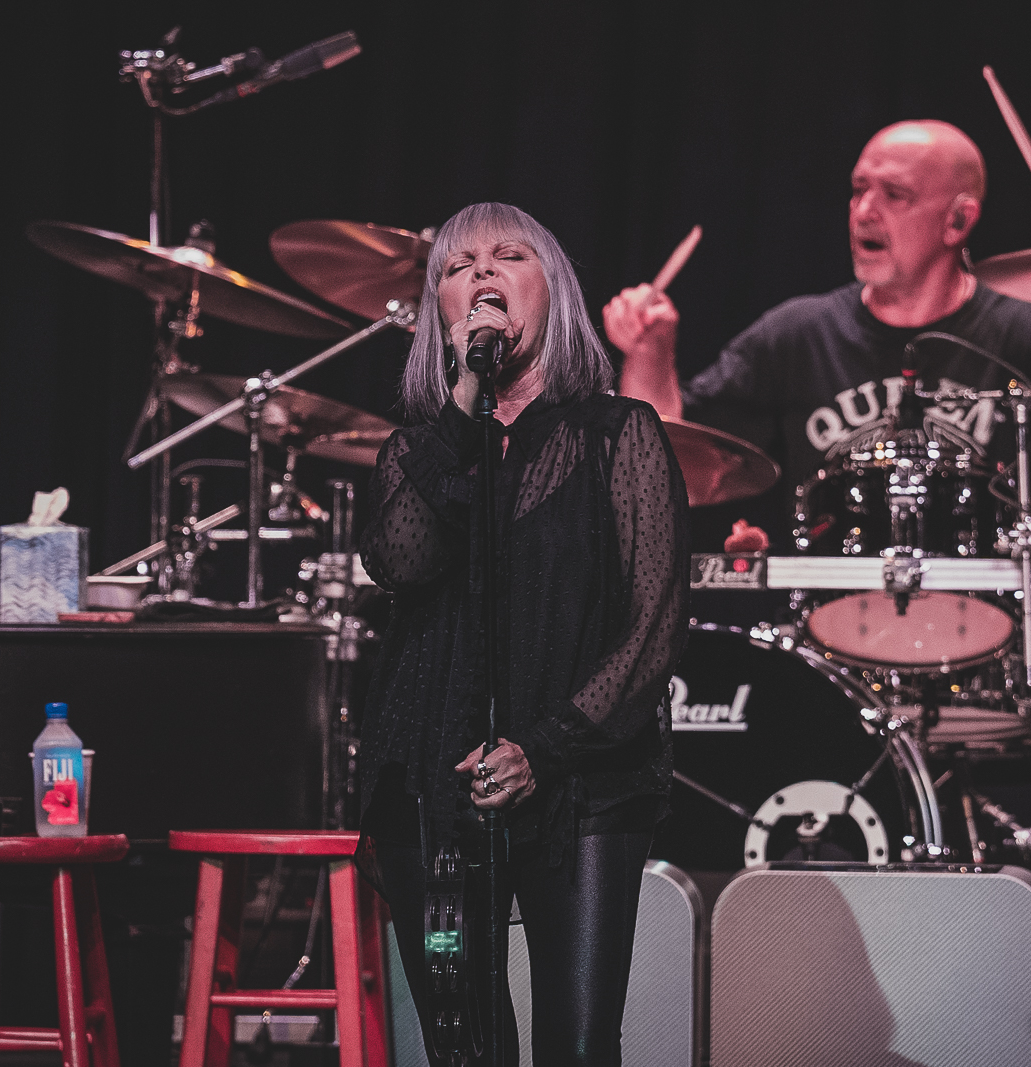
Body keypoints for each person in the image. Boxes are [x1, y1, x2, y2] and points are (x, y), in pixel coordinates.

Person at [604, 120, 1031, 864]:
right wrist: (649, 353)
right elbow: (660, 464)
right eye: (858, 189)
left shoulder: (1023, 334)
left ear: (959, 219)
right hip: (829, 643)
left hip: (997, 640)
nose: (864, 209)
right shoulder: (798, 333)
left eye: (893, 194)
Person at [357, 202, 688, 1066]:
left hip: (581, 779)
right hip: (438, 783)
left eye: (509, 257)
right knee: (464, 1048)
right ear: (440, 308)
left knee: (577, 1046)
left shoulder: (620, 436)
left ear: (555, 290)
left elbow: (652, 629)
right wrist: (465, 400)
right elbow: (401, 560)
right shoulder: (415, 453)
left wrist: (543, 746)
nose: (483, 277)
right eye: (459, 268)